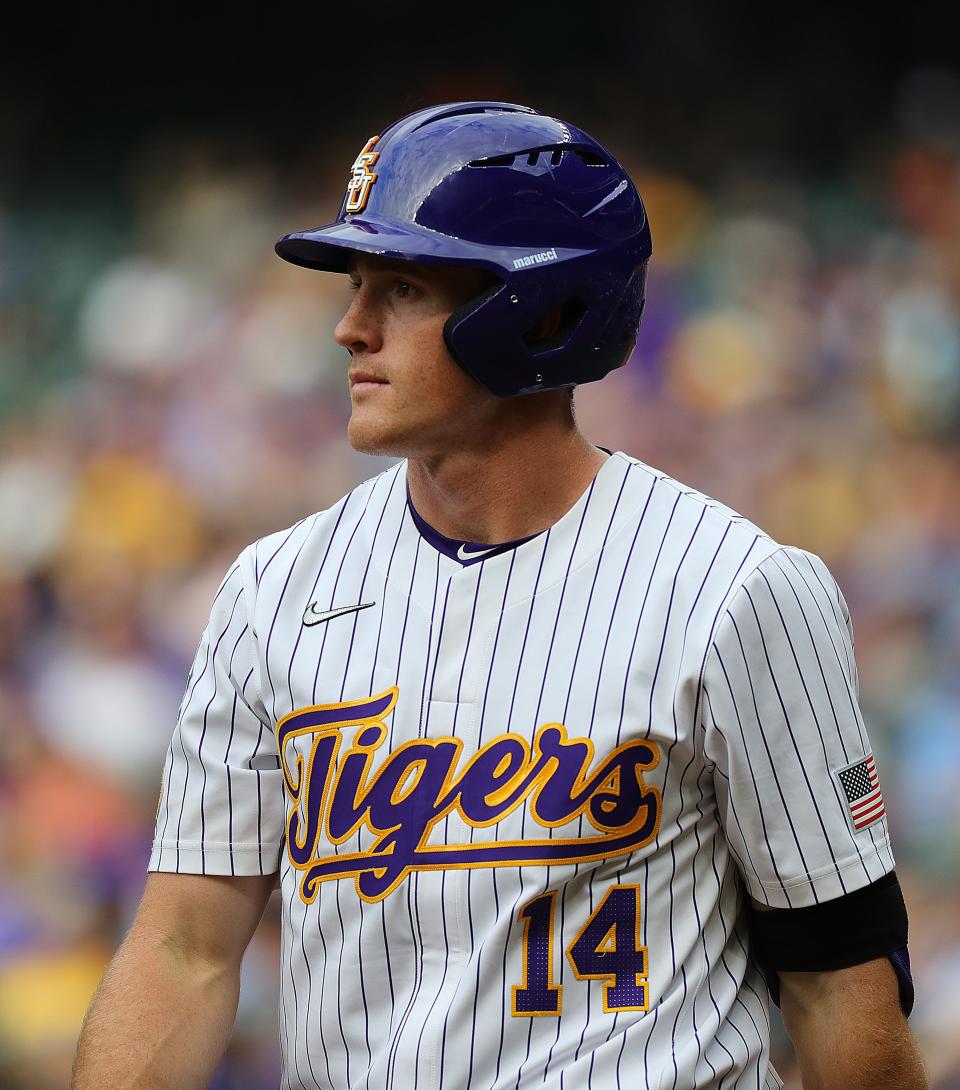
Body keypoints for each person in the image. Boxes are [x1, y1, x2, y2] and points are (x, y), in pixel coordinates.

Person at [72, 101, 928, 1090]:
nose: (350, 327)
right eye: (357, 287)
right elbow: (184, 948)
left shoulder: (736, 589)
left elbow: (836, 983)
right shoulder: (273, 590)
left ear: (542, 308)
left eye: (399, 287)